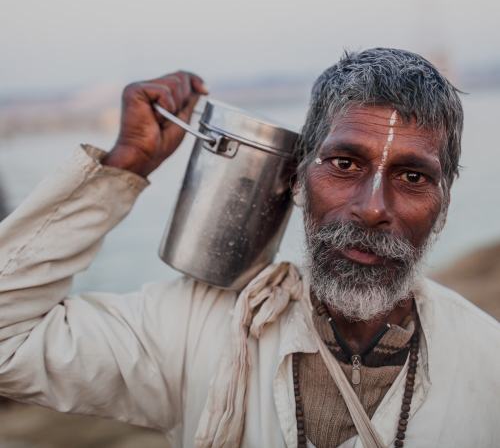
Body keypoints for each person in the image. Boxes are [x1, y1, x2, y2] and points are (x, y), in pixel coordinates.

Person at [0, 48, 499, 448]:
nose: (372, 209)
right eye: (344, 164)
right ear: (298, 179)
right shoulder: (197, 327)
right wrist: (125, 166)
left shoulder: (487, 363)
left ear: (444, 203)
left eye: (412, 176)